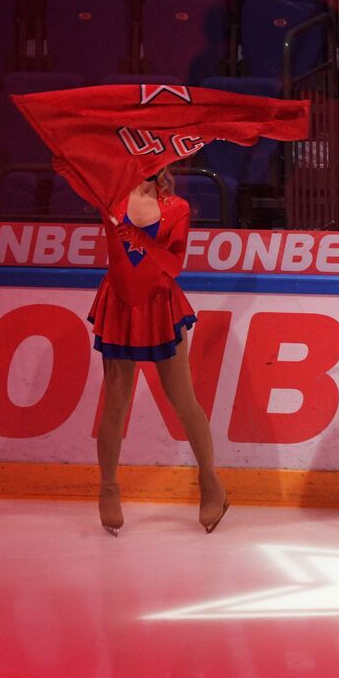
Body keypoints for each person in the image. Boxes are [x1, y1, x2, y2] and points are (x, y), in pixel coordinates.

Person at [91, 170, 228, 535]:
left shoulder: (177, 207)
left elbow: (174, 265)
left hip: (159, 306)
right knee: (116, 402)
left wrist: (136, 237)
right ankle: (108, 488)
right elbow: (82, 171)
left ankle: (210, 481)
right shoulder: (112, 199)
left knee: (182, 399)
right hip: (119, 306)